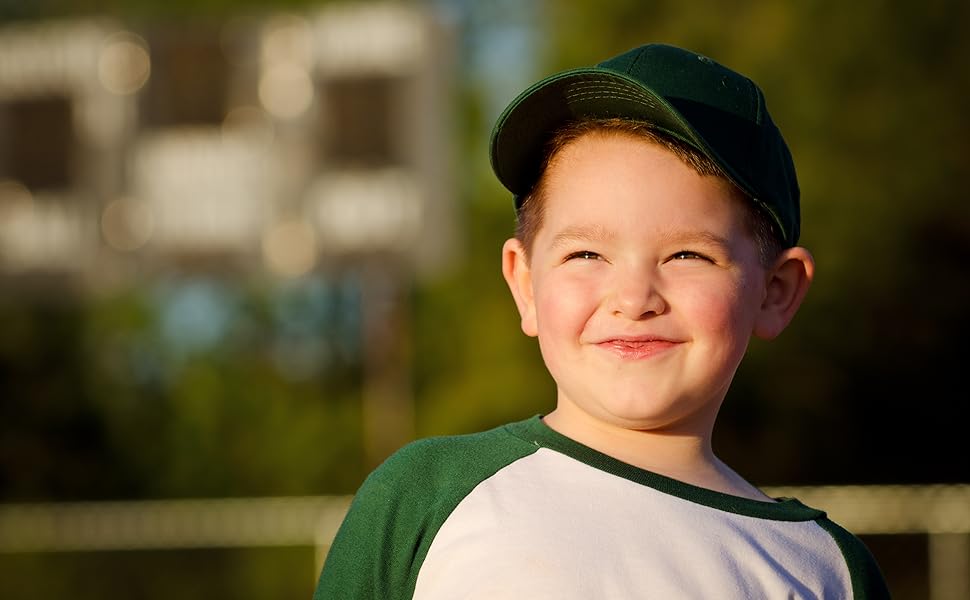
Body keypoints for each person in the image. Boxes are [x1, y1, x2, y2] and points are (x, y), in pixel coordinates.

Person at [313, 43, 890, 599]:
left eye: (687, 255)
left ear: (775, 291)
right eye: (585, 255)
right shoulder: (428, 495)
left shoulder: (824, 569)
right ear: (525, 284)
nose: (634, 298)